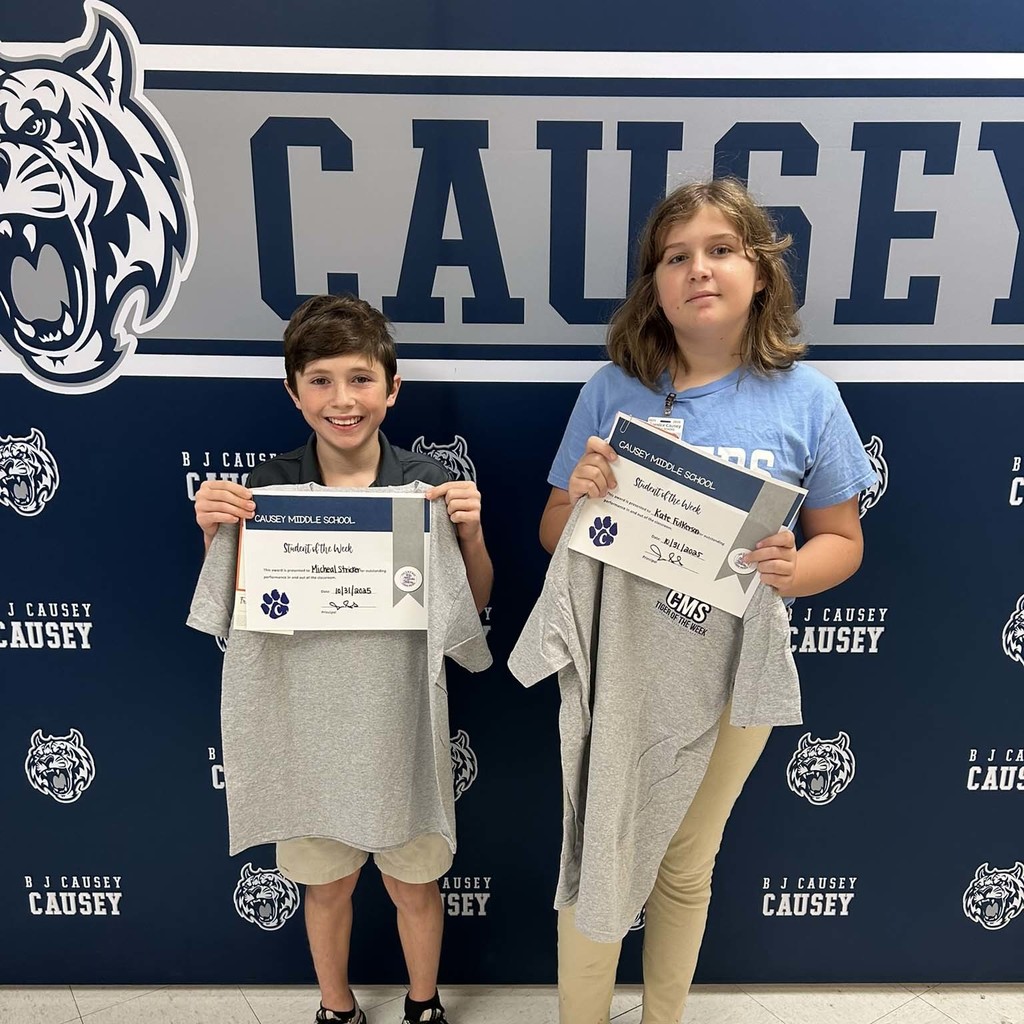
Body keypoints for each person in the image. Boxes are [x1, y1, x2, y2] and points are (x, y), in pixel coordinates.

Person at [537, 179, 877, 1023]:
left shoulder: (809, 398)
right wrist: (577, 502)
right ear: (654, 282)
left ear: (760, 272)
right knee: (603, 852)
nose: (699, 270)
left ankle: (663, 1018)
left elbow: (844, 539)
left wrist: (795, 570)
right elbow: (551, 532)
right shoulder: (612, 389)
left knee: (687, 861)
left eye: (721, 250)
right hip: (622, 670)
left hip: (733, 675)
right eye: (676, 256)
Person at [191, 294, 493, 1024]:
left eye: (360, 379)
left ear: (391, 389)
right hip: (307, 731)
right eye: (320, 380)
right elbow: (238, 610)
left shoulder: (425, 484)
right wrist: (214, 537)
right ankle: (337, 1008)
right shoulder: (265, 490)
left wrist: (472, 535)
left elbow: (472, 607)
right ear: (294, 393)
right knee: (325, 887)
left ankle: (425, 1006)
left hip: (404, 727)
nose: (342, 399)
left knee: (415, 886)